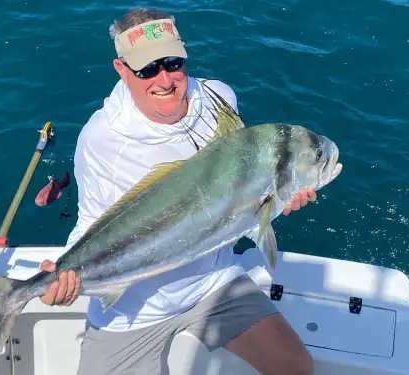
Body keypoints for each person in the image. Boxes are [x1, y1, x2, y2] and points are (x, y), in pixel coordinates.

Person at [39, 7, 316, 375]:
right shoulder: (102, 139)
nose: (165, 79)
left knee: (295, 366)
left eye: (173, 62)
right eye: (147, 69)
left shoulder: (220, 98)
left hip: (213, 283)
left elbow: (243, 184)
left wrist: (281, 195)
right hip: (133, 309)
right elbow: (92, 220)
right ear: (122, 70)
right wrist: (64, 274)